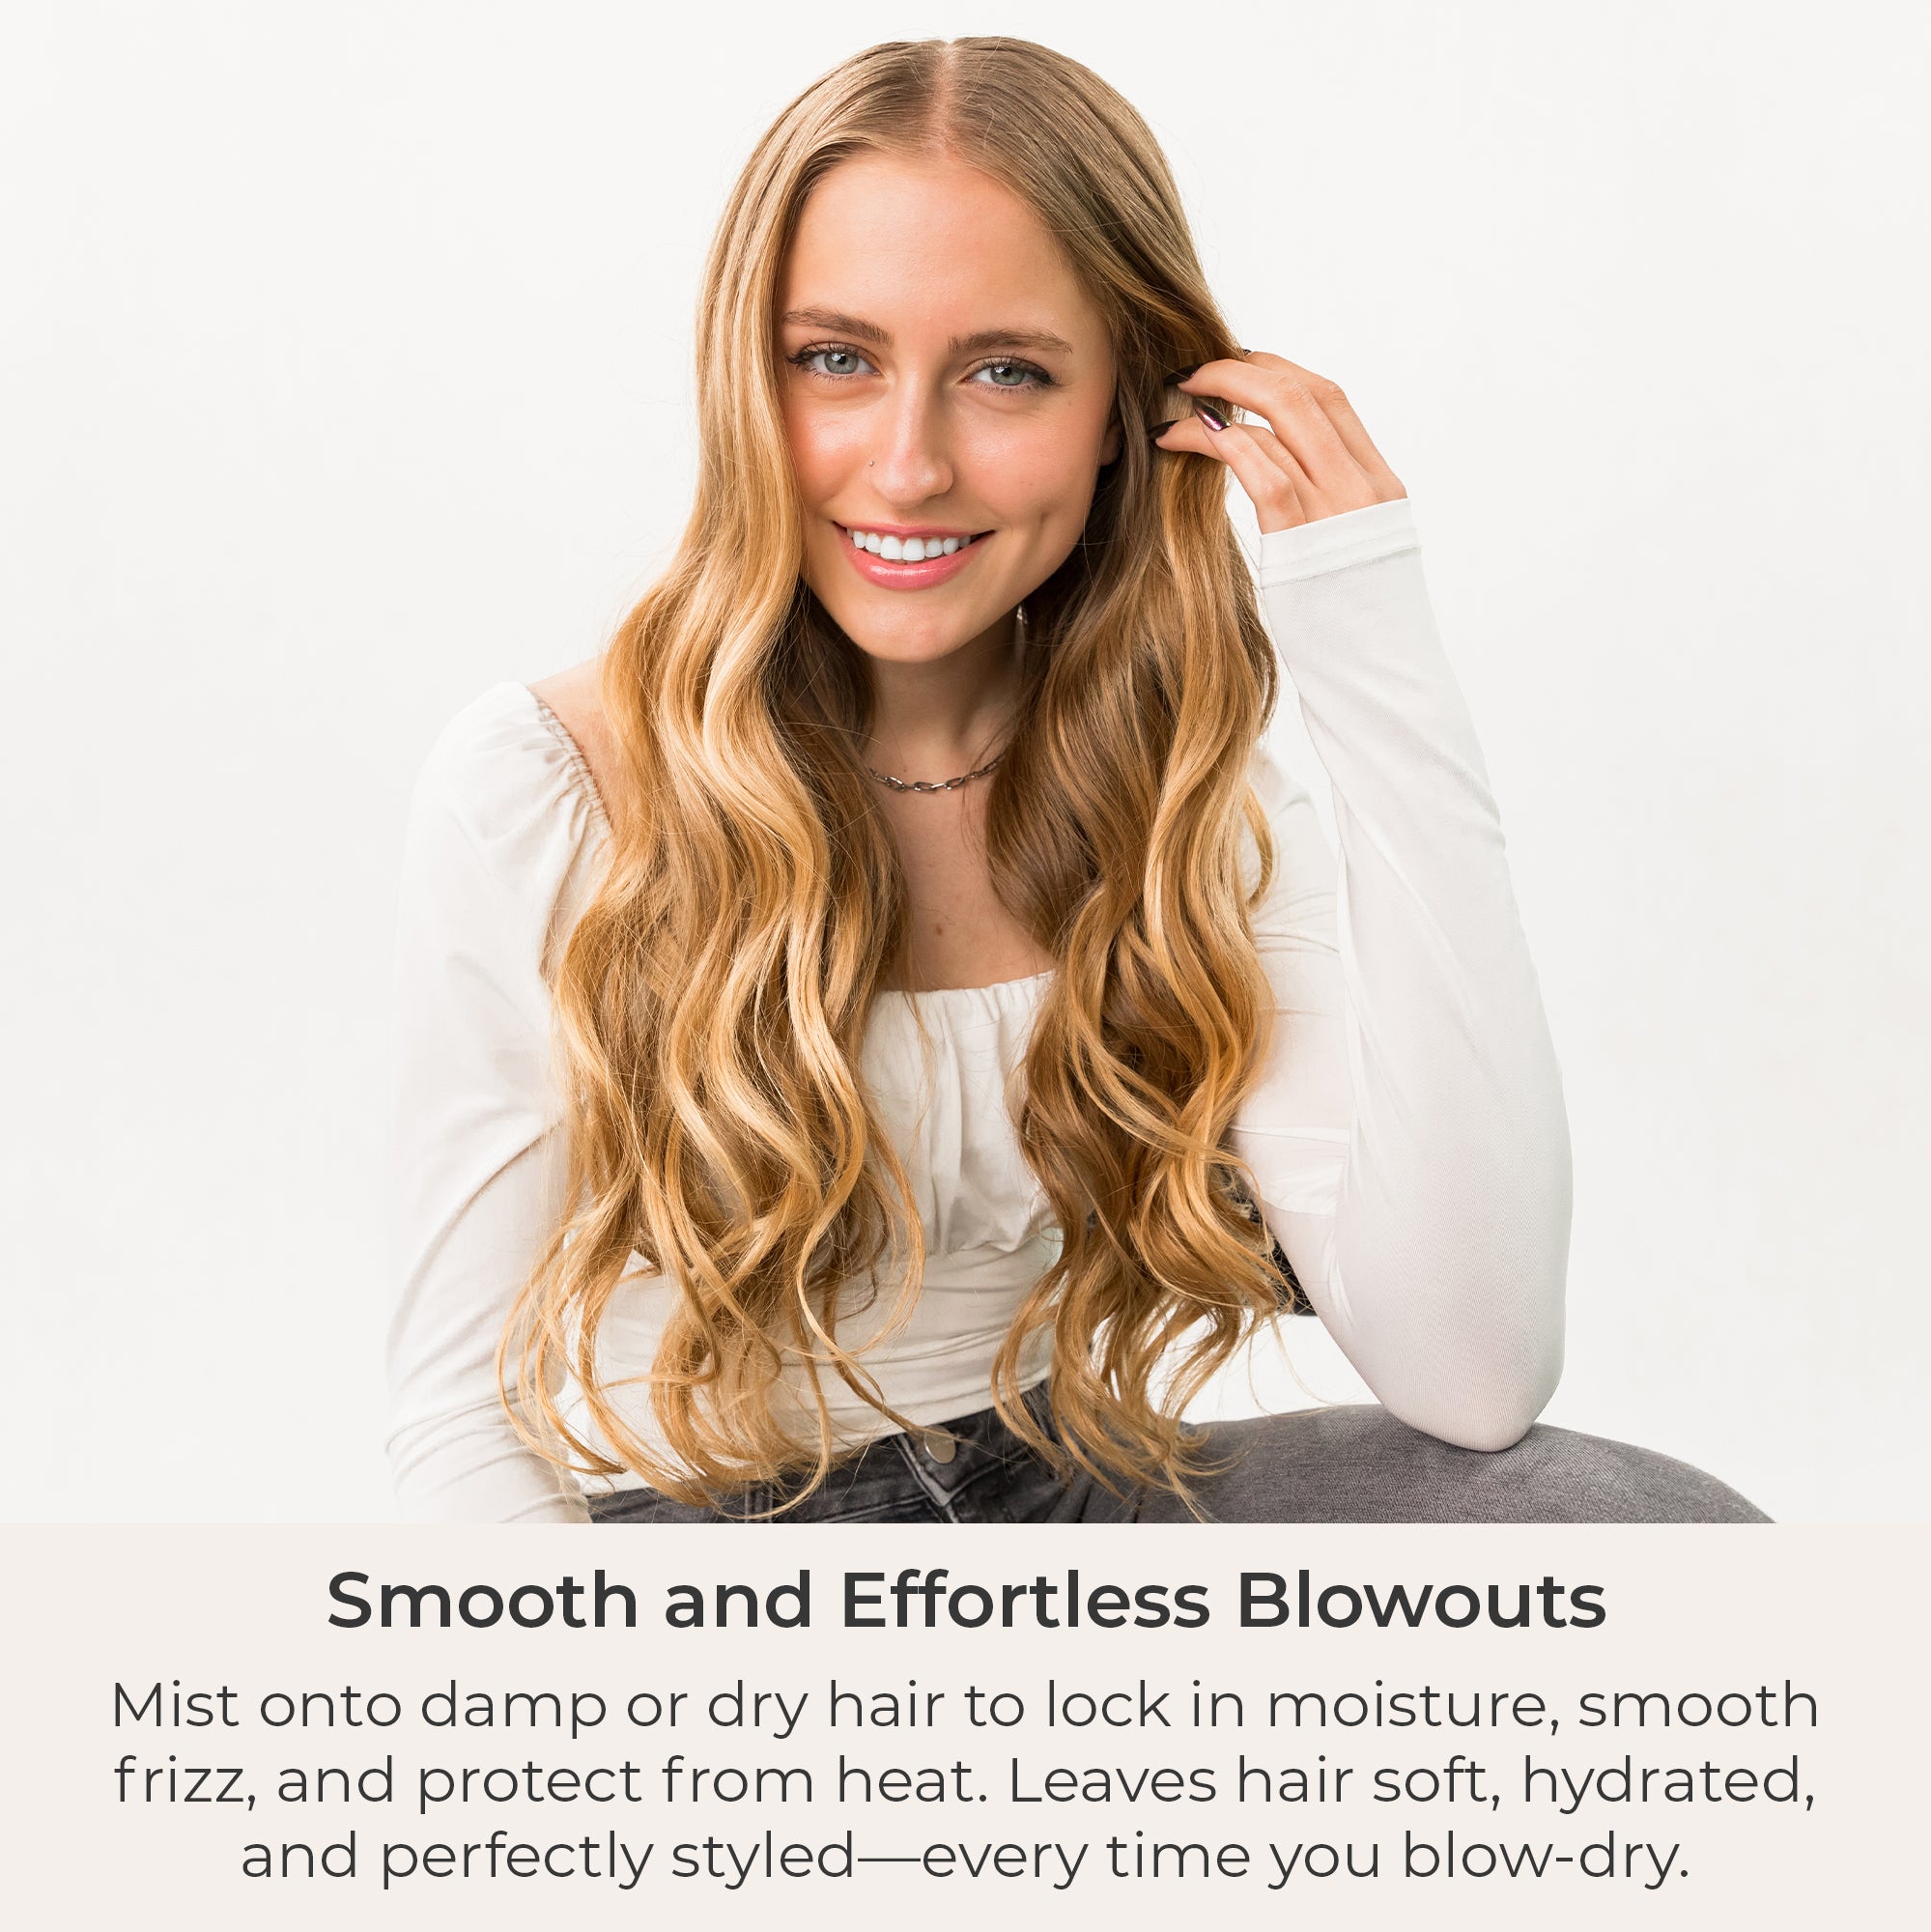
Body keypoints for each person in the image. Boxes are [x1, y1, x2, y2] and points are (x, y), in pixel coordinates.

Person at [384, 36, 1768, 1525]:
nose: (907, 467)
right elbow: (457, 1435)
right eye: (836, 359)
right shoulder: (548, 787)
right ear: (743, 377)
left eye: (1006, 373)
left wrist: (1371, 634)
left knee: (1627, 1527)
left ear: (1124, 413)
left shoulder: (1183, 802)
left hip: (1067, 1513)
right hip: (692, 1565)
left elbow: (1475, 1373)